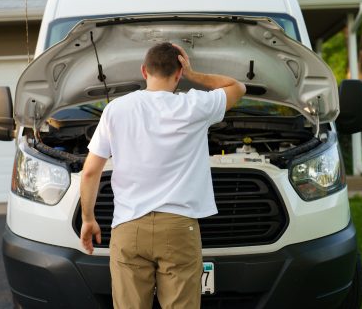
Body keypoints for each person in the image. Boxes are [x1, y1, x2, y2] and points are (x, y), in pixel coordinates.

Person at [80, 42, 246, 308]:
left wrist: (88, 219)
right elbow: (238, 88)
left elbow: (90, 172)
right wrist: (195, 75)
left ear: (144, 71)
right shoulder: (196, 105)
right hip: (179, 229)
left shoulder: (116, 109)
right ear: (178, 73)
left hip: (128, 227)